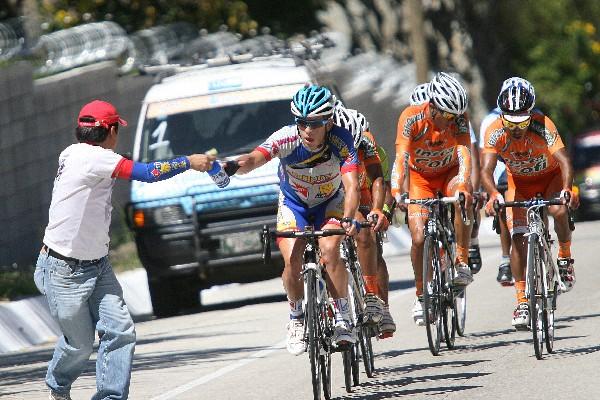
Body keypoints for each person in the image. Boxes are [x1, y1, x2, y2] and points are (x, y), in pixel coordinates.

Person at [34, 100, 215, 400]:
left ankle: (110, 396)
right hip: (64, 270)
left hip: (97, 264)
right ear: (111, 130)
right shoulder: (96, 159)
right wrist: (188, 162)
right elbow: (147, 173)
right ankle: (58, 386)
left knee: (120, 331)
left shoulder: (72, 153)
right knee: (79, 344)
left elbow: (117, 164)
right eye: (117, 129)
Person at [232, 85, 360, 355]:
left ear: (328, 122)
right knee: (292, 259)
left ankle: (342, 317)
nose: (307, 131)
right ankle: (297, 317)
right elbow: (255, 158)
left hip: (330, 203)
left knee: (330, 250)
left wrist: (348, 217)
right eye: (302, 123)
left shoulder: (342, 140)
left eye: (314, 124)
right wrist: (233, 166)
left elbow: (352, 185)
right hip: (295, 205)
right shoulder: (286, 138)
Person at [481, 77, 579, 329]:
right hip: (520, 184)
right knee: (518, 238)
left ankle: (565, 258)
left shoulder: (543, 124)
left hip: (550, 178)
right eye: (510, 122)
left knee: (558, 210)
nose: (516, 129)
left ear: (531, 115)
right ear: (501, 116)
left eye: (522, 122)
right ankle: (522, 300)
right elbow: (486, 170)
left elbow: (565, 161)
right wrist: (493, 194)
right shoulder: (494, 131)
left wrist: (567, 189)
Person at [391, 73, 474, 326]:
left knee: (462, 199)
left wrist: (462, 184)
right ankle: (421, 294)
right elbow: (401, 158)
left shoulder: (459, 119)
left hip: (448, 173)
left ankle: (461, 260)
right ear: (433, 105)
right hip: (421, 179)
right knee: (417, 237)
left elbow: (464, 154)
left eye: (455, 117)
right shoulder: (411, 117)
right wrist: (397, 191)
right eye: (447, 115)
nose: (451, 121)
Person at [333, 103, 396, 338]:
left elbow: (381, 182)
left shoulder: (371, 147)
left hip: (364, 196)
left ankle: (381, 305)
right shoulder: (327, 145)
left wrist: (381, 210)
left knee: (371, 241)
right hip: (335, 198)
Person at [410, 83, 483, 275]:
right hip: (424, 177)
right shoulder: (413, 125)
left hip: (452, 170)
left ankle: (469, 245)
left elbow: (471, 156)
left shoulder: (456, 121)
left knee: (466, 204)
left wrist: (471, 188)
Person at [479, 106, 513, 285]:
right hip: (502, 171)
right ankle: (506, 259)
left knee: (538, 203)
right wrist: (489, 191)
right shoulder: (490, 122)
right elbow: (483, 157)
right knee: (504, 208)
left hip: (529, 167)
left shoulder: (537, 118)